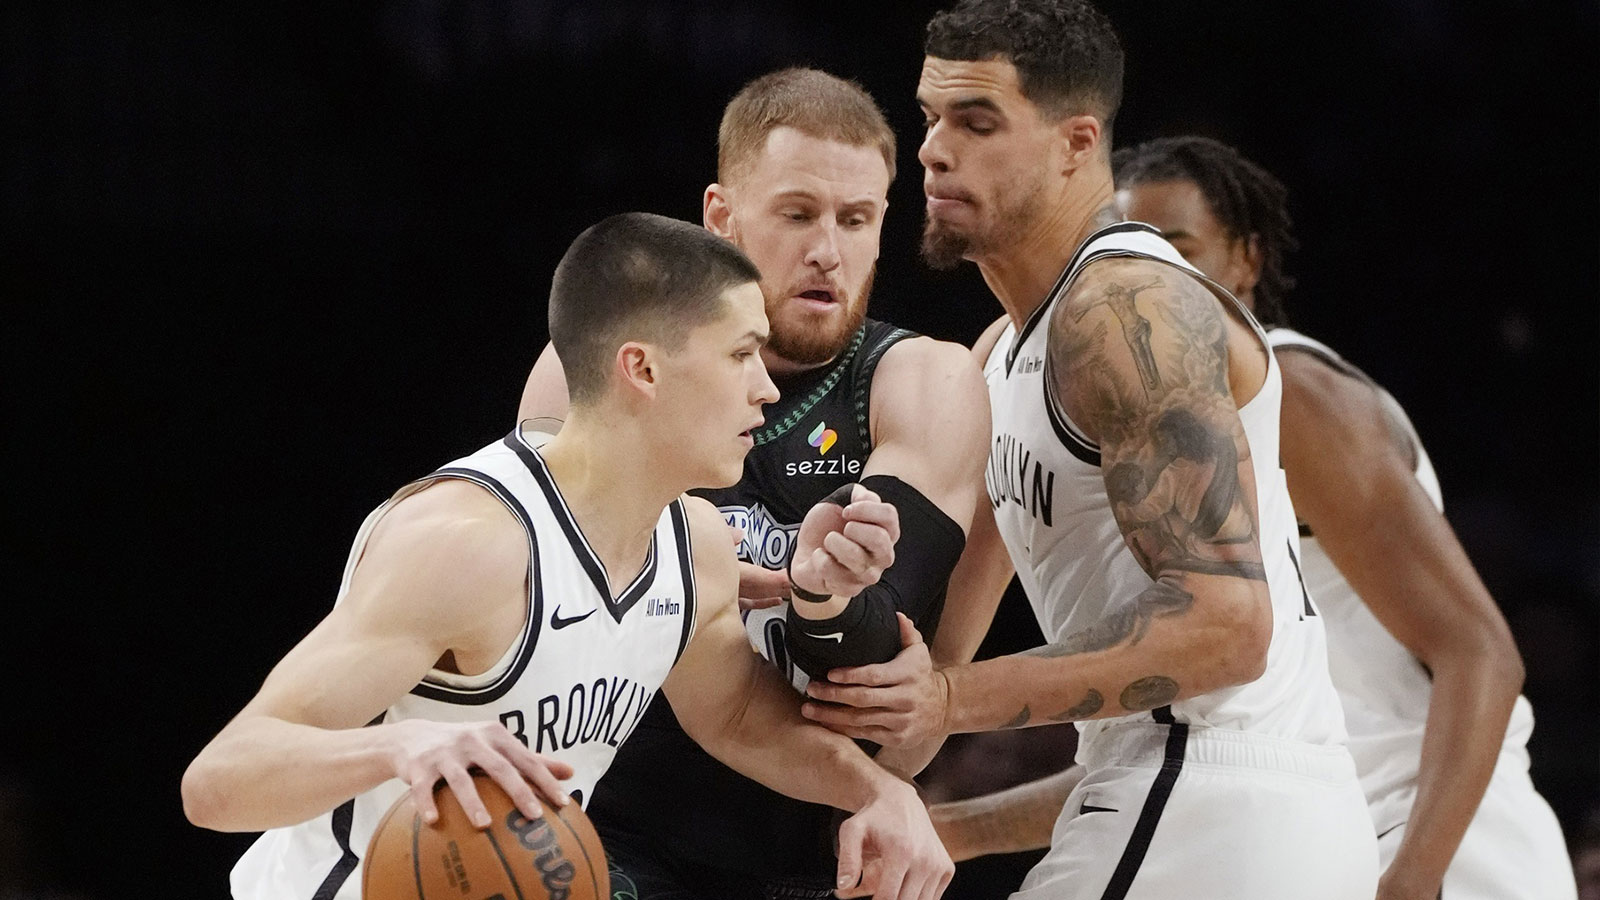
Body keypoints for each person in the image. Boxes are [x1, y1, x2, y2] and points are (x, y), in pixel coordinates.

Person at [180, 212, 954, 900]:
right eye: (741, 354)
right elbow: (218, 782)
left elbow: (742, 719)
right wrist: (398, 745)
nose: (766, 390)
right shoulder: (468, 544)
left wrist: (880, 792)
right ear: (642, 369)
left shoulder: (694, 545)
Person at [798, 3, 1379, 898]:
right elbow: (937, 662)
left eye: (977, 122)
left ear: (1076, 143)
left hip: (1215, 797)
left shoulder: (1127, 309)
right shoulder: (1000, 353)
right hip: (1182, 796)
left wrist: (944, 701)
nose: (933, 151)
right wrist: (857, 782)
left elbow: (1228, 627)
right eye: (930, 117)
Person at [516, 68, 991, 899]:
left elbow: (866, 683)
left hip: (817, 844)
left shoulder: (925, 381)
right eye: (798, 214)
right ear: (721, 217)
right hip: (611, 824)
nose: (827, 250)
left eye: (856, 219)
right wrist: (688, 574)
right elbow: (542, 614)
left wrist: (823, 597)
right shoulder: (601, 366)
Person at [1114, 135, 1576, 900]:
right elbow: (1154, 760)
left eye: (1178, 250)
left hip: (1437, 843)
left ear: (1248, 260)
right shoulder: (1153, 448)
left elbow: (1481, 653)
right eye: (1124, 254)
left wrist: (1413, 879)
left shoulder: (1294, 394)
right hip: (1314, 841)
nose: (1147, 277)